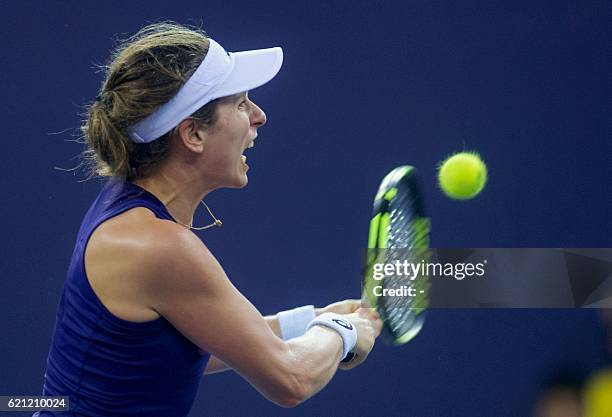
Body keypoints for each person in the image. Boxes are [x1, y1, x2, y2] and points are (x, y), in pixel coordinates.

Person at [36, 22, 382, 417]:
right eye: (240, 104)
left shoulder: (126, 210)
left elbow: (184, 344)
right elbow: (291, 379)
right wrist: (346, 331)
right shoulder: (158, 247)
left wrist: (311, 321)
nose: (259, 116)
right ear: (193, 134)